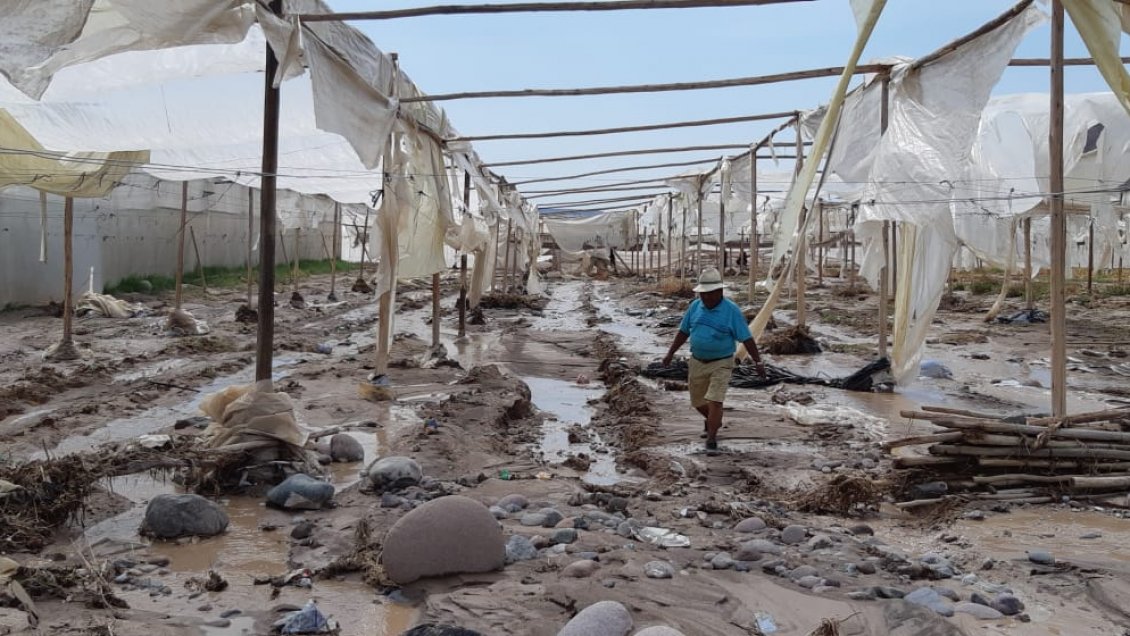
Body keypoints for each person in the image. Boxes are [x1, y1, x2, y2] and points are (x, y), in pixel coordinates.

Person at [662, 268, 766, 451]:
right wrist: (670, 353)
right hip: (697, 361)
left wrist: (758, 362)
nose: (707, 298)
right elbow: (683, 331)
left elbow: (747, 338)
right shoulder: (695, 307)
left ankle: (711, 438)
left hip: (722, 362)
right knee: (698, 401)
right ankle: (713, 420)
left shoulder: (731, 311)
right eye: (703, 295)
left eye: (710, 294)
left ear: (720, 292)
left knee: (716, 400)